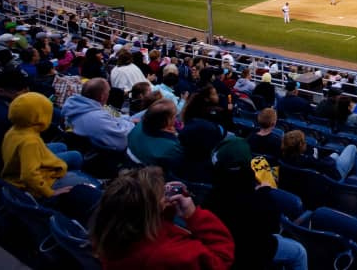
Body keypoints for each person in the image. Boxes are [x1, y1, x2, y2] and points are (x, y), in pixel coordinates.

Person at [88, 167, 235, 270]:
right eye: (162, 194)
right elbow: (221, 259)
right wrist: (194, 215)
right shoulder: (171, 254)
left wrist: (165, 207)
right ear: (152, 209)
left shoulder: (112, 225)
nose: (166, 193)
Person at [62, 78, 135, 152]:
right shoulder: (97, 118)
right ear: (102, 97)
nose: (109, 94)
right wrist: (131, 123)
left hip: (124, 124)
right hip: (110, 151)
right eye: (108, 92)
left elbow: (118, 115)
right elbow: (122, 142)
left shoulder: (77, 105)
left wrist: (128, 119)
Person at [281, 129, 357, 181]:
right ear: (301, 145)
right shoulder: (309, 160)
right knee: (352, 147)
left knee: (335, 154)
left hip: (320, 174)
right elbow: (328, 164)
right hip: (334, 178)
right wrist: (330, 158)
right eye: (304, 141)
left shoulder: (284, 157)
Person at [127, 99, 185, 168]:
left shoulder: (140, 124)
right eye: (174, 116)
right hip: (145, 169)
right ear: (167, 121)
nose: (175, 119)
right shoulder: (171, 147)